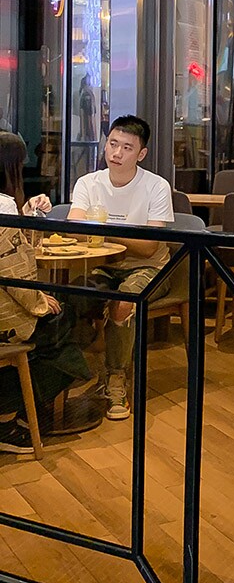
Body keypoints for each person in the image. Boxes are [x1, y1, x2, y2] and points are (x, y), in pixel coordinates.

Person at [67, 115, 174, 420]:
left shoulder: (156, 186)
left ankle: (116, 381)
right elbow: (74, 228)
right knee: (70, 296)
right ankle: (72, 368)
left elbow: (149, 246)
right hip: (105, 266)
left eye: (127, 147)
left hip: (149, 269)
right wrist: (113, 233)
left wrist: (103, 229)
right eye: (112, 144)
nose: (116, 153)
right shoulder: (88, 182)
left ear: (141, 154)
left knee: (124, 302)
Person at [0, 132, 91, 452]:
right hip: (4, 320)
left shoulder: (8, 208)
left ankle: (20, 411)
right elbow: (15, 274)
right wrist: (40, 302)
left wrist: (26, 213)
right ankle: (7, 416)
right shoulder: (4, 206)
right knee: (66, 322)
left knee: (57, 332)